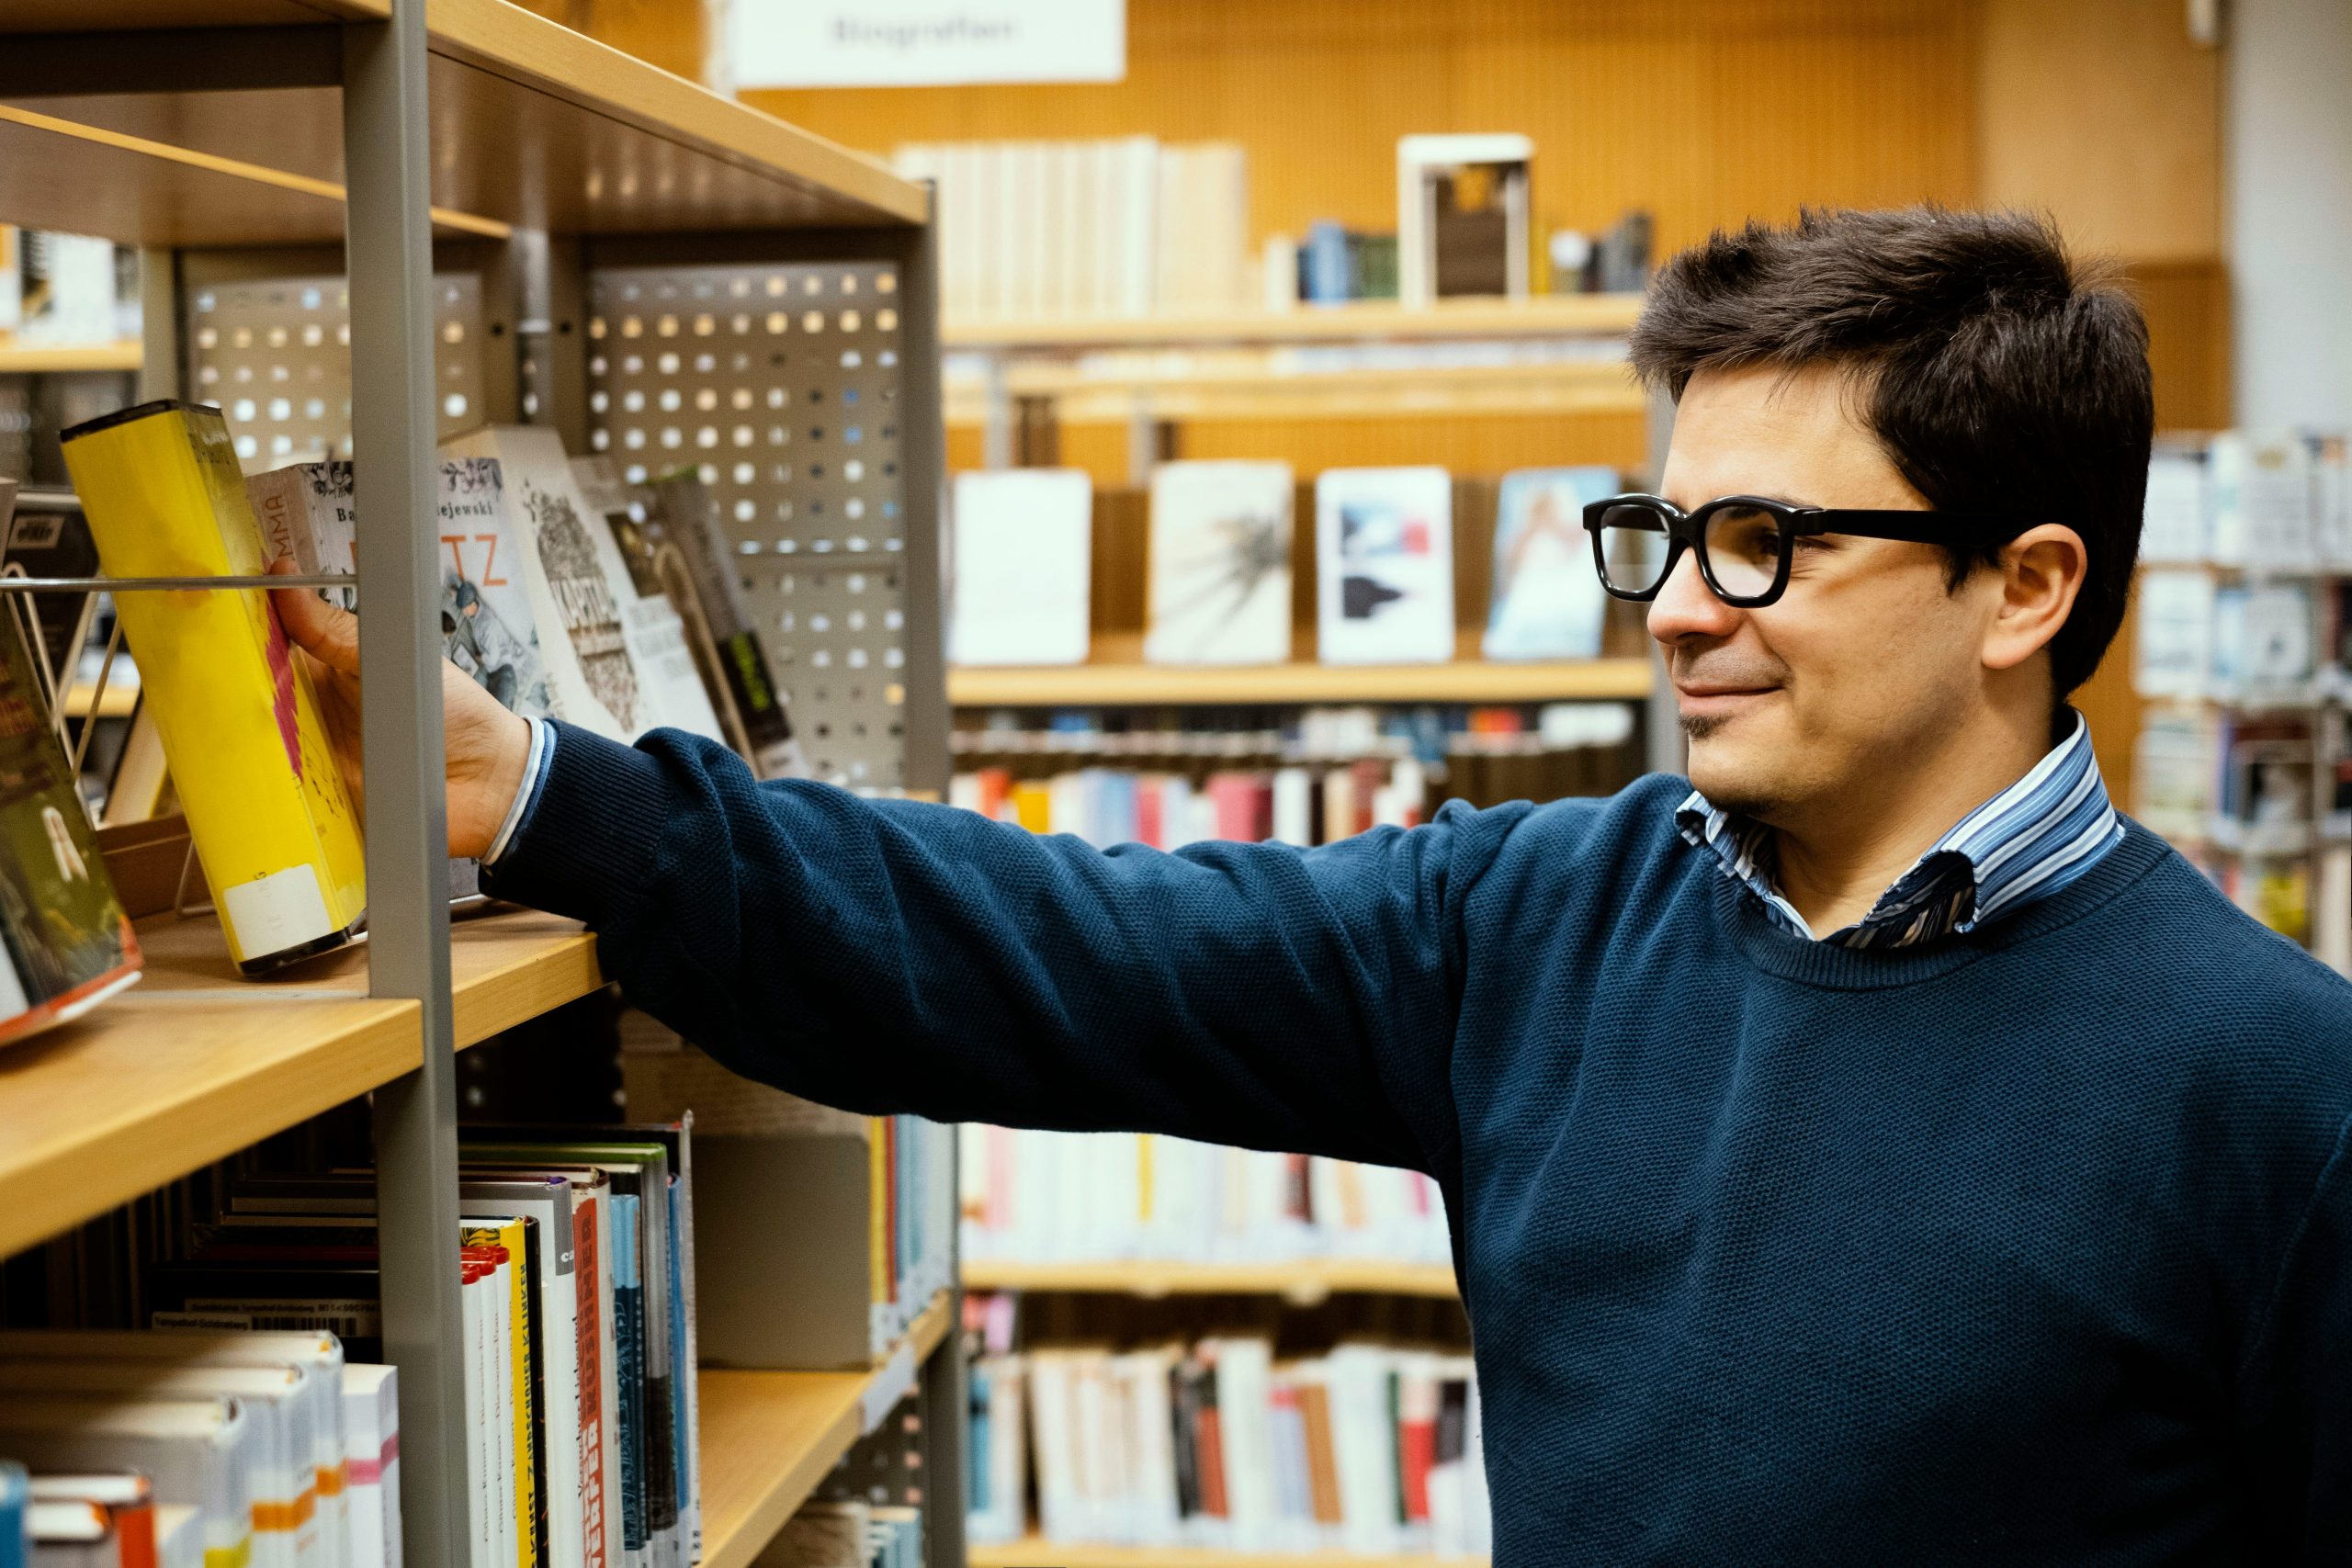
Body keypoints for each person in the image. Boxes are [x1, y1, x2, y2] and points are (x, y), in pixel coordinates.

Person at [277, 207, 2352, 1562]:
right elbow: (1049, 951)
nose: (1678, 615)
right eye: (1660, 533)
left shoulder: (2273, 1086)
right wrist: (532, 787)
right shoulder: (1535, 921)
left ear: (2025, 586)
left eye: (1764, 544)